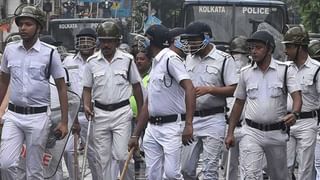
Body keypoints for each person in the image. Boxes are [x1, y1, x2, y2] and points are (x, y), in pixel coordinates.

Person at [0, 5, 68, 180]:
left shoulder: (50, 53)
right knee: (5, 164)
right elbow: (4, 81)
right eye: (21, 24)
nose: (23, 28)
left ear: (38, 27)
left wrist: (64, 121)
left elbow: (61, 87)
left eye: (28, 24)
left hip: (38, 118)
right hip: (13, 115)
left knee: (34, 170)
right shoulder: (10, 50)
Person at [225, 30, 302, 180]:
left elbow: (297, 97)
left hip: (276, 133)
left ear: (270, 49)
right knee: (250, 174)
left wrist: (295, 113)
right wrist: (230, 133)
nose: (253, 51)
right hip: (252, 132)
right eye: (251, 48)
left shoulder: (284, 71)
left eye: (258, 47)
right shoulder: (245, 73)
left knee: (279, 176)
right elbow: (239, 103)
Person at [128, 24, 196, 179]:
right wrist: (135, 135)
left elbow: (190, 89)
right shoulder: (156, 63)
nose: (142, 44)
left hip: (171, 127)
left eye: (145, 40)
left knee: (172, 175)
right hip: (152, 128)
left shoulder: (170, 59)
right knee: (152, 175)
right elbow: (148, 103)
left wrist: (189, 124)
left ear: (155, 41)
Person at [82, 20, 143, 180]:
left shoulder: (128, 60)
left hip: (122, 113)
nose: (106, 44)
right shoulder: (91, 62)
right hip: (100, 114)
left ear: (117, 41)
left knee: (123, 156)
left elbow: (136, 86)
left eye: (109, 41)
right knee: (103, 160)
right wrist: (86, 105)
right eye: (103, 41)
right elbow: (87, 88)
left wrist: (142, 113)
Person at [178, 21, 238, 180]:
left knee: (209, 169)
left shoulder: (224, 59)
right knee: (186, 168)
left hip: (214, 118)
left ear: (206, 38)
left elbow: (235, 89)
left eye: (193, 40)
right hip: (191, 118)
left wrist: (210, 89)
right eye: (188, 41)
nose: (190, 44)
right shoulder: (187, 59)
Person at [282, 27, 320, 180]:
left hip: (308, 122)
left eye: (289, 47)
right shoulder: (284, 68)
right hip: (287, 122)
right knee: (285, 165)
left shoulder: (316, 69)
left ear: (300, 47)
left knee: (305, 168)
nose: (285, 51)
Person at [63, 27, 98, 180]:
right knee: (69, 151)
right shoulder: (68, 61)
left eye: (88, 40)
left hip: (92, 114)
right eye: (81, 40)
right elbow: (63, 86)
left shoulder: (99, 61)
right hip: (72, 114)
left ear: (94, 42)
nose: (84, 44)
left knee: (93, 154)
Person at [221, 35, 251, 180]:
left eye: (242, 54)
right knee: (228, 167)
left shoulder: (252, 72)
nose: (238, 58)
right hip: (228, 124)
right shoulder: (225, 71)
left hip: (247, 126)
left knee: (248, 167)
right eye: (235, 54)